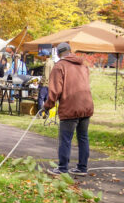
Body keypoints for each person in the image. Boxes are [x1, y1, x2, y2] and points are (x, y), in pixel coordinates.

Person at [45, 42, 94, 176]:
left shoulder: (59, 66)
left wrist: (47, 105)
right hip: (86, 105)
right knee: (83, 137)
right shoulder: (83, 65)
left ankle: (62, 168)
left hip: (70, 106)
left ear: (58, 53)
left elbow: (55, 90)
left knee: (66, 138)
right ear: (70, 51)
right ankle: (82, 167)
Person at [38, 50, 55, 117]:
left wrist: (40, 83)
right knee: (47, 100)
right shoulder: (52, 62)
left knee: (40, 99)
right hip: (50, 84)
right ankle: (47, 114)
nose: (41, 57)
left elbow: (46, 76)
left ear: (45, 56)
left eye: (42, 56)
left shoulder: (47, 64)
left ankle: (40, 114)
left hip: (45, 84)